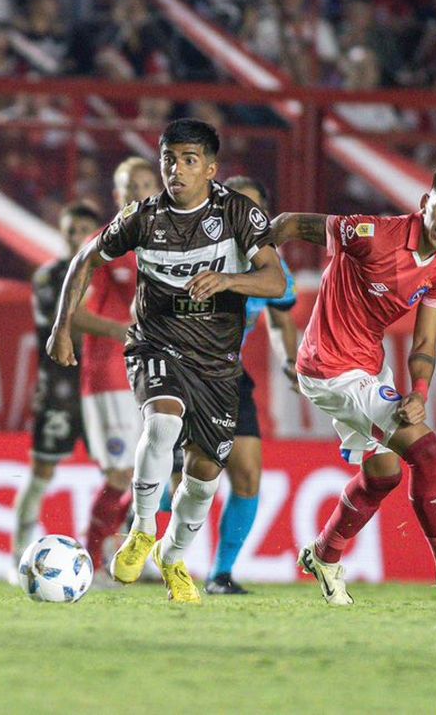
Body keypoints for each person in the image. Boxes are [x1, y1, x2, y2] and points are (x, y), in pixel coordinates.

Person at [47, 118, 286, 603]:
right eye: (169, 159)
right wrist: (61, 325)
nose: (176, 169)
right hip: (157, 345)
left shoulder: (239, 213)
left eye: (189, 160)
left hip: (217, 362)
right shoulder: (143, 217)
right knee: (161, 425)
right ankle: (140, 530)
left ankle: (173, 555)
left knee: (203, 476)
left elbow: (276, 282)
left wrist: (228, 282)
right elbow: (85, 259)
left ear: (211, 169)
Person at [270, 157, 436, 608]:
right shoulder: (373, 235)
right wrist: (244, 266)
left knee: (383, 475)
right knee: (425, 449)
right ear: (425, 201)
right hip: (329, 366)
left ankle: (325, 555)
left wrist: (419, 394)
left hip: (369, 366)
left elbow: (425, 342)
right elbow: (287, 223)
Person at [204, 175, 299, 595]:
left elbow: (281, 319)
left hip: (230, 373)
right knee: (185, 480)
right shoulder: (196, 250)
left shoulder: (272, 268)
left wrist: (292, 362)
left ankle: (220, 573)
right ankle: (131, 523)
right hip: (183, 370)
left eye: (255, 209)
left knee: (246, 475)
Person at [71, 157, 160, 577]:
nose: (139, 192)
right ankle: (90, 558)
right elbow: (75, 313)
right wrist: (125, 330)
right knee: (124, 472)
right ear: (117, 196)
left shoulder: (166, 243)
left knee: (155, 472)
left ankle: (118, 552)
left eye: (146, 183)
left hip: (152, 373)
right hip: (109, 373)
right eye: (130, 186)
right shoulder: (103, 243)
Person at [10, 202, 103, 580]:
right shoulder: (50, 277)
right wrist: (116, 326)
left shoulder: (112, 272)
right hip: (60, 387)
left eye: (84, 228)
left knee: (122, 473)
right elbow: (68, 327)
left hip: (102, 386)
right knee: (42, 469)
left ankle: (115, 553)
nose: (76, 235)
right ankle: (18, 553)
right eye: (70, 228)